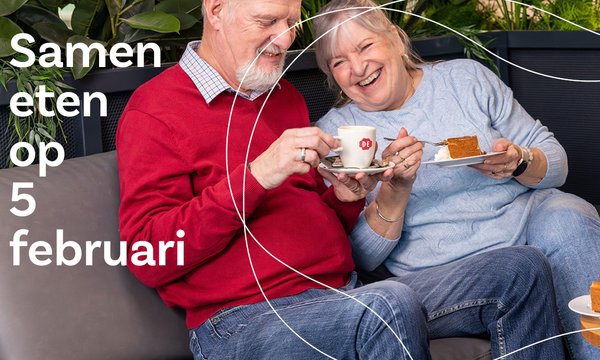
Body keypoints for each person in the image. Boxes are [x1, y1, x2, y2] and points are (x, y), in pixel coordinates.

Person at [116, 0, 566, 358]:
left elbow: (310, 221)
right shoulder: (155, 109)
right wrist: (255, 177)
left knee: (519, 270)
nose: (285, 38)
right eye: (268, 21)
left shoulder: (283, 97)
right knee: (388, 305)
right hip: (240, 321)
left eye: (291, 22)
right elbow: (149, 254)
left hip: (343, 295)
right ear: (216, 11)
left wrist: (346, 197)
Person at [312, 1, 600, 358]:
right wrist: (395, 191)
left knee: (568, 213)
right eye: (339, 62)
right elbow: (361, 256)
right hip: (447, 274)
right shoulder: (334, 135)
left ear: (394, 37)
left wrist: (519, 161)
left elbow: (557, 163)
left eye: (365, 46)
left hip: (529, 227)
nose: (358, 68)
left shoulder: (465, 78)